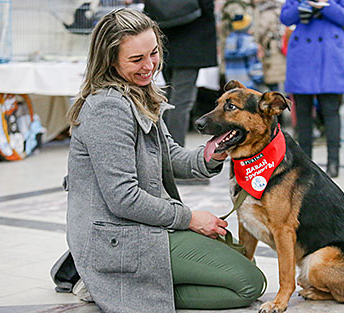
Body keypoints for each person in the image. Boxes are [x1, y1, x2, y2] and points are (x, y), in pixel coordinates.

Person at [55, 8, 265, 313]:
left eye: (153, 53)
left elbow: (171, 154)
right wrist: (191, 218)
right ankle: (113, 286)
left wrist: (212, 154)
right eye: (136, 60)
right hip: (118, 239)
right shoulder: (107, 110)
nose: (150, 65)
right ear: (110, 60)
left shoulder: (139, 93)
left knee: (239, 257)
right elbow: (123, 198)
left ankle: (133, 282)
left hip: (143, 228)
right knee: (249, 284)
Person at [280, 0, 344, 178]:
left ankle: (333, 162)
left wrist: (325, 5)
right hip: (302, 55)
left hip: (328, 54)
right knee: (304, 113)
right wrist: (303, 7)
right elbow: (285, 17)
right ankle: (305, 163)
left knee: (331, 110)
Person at [144, 0, 217, 148]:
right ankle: (174, 150)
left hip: (163, 32)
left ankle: (162, 146)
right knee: (181, 102)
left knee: (169, 98)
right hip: (192, 36)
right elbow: (207, 5)